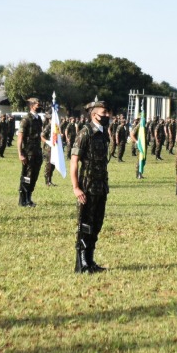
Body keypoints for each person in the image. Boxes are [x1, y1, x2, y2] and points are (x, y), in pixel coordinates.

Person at [70, 100, 112, 272]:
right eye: (104, 113)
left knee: (96, 224)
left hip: (101, 186)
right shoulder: (85, 133)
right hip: (87, 187)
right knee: (85, 225)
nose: (107, 116)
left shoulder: (103, 134)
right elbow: (74, 161)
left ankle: (90, 259)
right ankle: (82, 263)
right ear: (94, 115)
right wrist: (76, 187)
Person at [17, 98, 45, 207]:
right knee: (27, 176)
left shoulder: (38, 119)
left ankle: (29, 197)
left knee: (34, 176)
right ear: (31, 105)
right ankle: (23, 199)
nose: (39, 106)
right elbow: (20, 138)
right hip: (28, 153)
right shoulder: (26, 119)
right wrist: (20, 154)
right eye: (38, 104)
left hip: (37, 152)